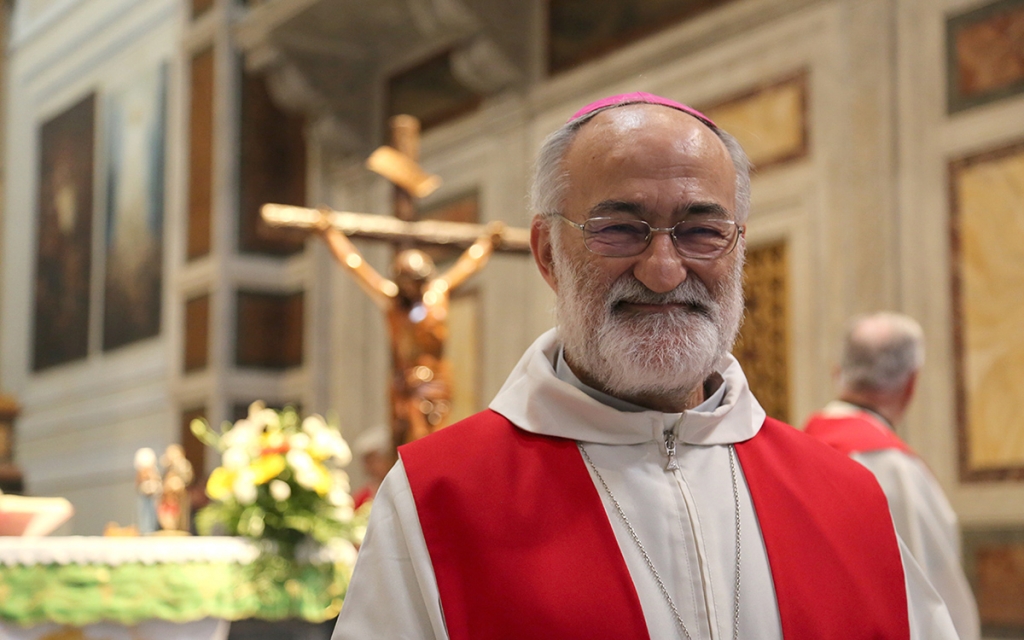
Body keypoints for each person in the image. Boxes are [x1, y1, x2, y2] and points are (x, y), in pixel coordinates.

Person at [332, 93, 957, 639]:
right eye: (621, 229)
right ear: (548, 254)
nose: (663, 268)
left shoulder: (847, 497)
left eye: (701, 231)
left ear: (737, 246)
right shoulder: (440, 500)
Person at [804, 312, 980, 640]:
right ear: (911, 384)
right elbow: (934, 599)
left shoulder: (797, 449)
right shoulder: (891, 468)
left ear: (838, 373)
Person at [317, 214, 504, 445]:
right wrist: (331, 235)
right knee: (410, 439)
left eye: (417, 281)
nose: (413, 287)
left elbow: (468, 265)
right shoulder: (392, 302)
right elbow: (355, 265)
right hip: (407, 381)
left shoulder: (437, 293)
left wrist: (487, 242)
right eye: (407, 283)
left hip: (437, 378)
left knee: (440, 436)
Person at [350, 424, 396, 509]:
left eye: (372, 461)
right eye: (366, 463)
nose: (368, 468)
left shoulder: (399, 490)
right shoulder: (363, 498)